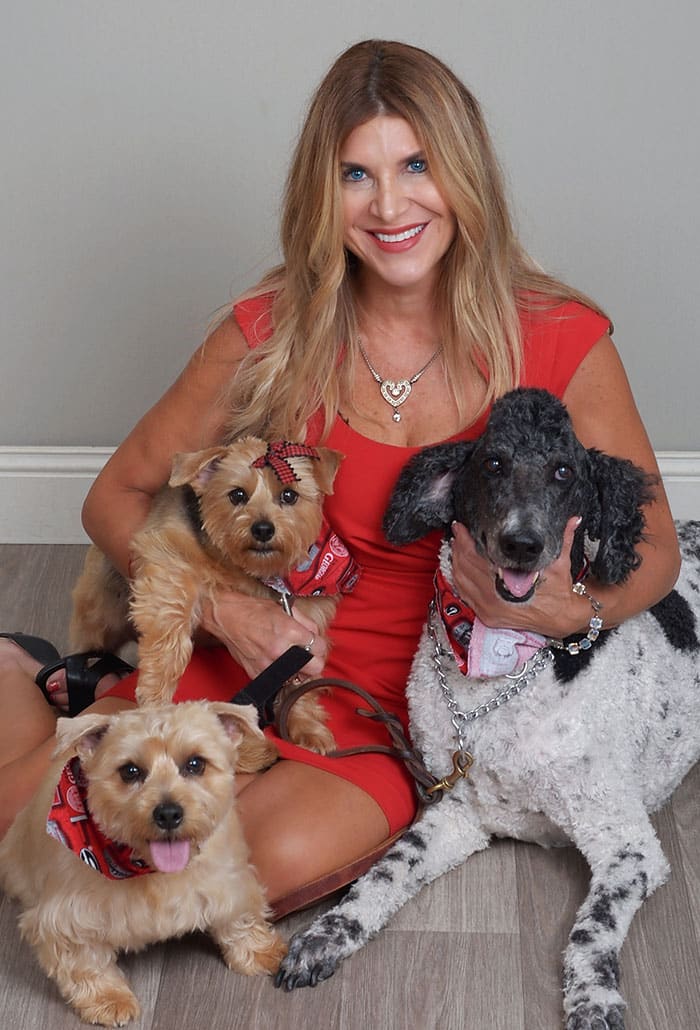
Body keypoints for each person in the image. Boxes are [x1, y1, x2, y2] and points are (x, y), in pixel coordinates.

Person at [0, 40, 680, 913]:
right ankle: (29, 676)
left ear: (464, 175)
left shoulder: (560, 336)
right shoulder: (270, 333)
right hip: (256, 653)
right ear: (323, 194)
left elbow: (656, 551)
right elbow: (113, 497)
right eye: (356, 175)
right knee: (37, 829)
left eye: (417, 165)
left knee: (241, 874)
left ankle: (82, 691)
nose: (390, 205)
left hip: (409, 700)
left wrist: (571, 611)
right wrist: (227, 613)